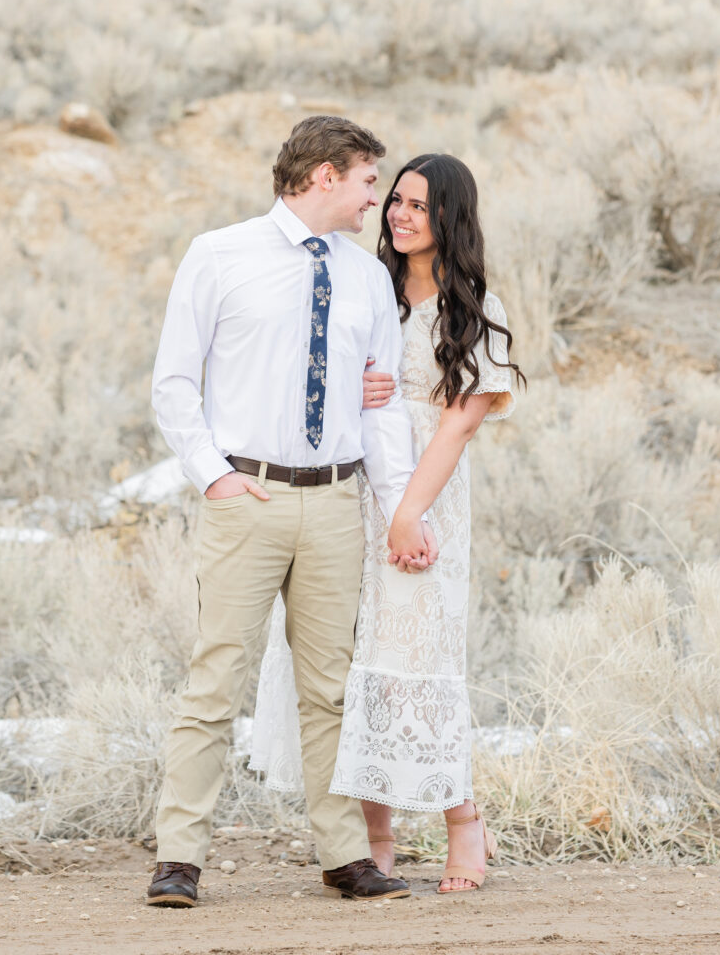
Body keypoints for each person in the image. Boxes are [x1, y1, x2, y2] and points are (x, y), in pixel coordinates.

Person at [146, 116, 438, 910]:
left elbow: (377, 408)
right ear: (324, 177)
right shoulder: (218, 255)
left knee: (330, 689)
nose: (376, 198)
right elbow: (173, 383)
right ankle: (179, 858)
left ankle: (346, 857)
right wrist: (214, 478)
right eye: (368, 181)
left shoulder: (366, 279)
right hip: (250, 497)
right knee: (216, 680)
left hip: (337, 499)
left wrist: (398, 507)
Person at [251, 153, 524, 893]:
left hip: (424, 502)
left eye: (419, 206)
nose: (400, 215)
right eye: (395, 200)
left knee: (418, 661)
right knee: (351, 661)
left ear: (451, 220)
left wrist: (408, 513)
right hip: (348, 496)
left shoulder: (476, 310)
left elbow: (457, 426)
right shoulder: (367, 288)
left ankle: (463, 823)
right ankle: (376, 831)